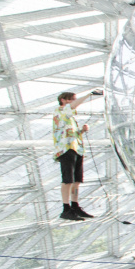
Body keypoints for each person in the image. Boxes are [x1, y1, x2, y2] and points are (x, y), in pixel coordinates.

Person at [52, 90, 103, 221]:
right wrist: (88, 95)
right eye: (71, 99)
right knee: (67, 180)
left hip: (76, 149)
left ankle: (75, 206)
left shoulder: (70, 118)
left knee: (76, 180)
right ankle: (66, 208)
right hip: (66, 149)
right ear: (63, 100)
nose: (73, 102)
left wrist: (81, 131)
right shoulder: (60, 111)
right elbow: (72, 107)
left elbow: (70, 134)